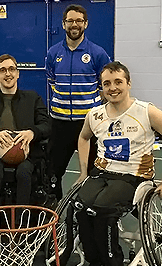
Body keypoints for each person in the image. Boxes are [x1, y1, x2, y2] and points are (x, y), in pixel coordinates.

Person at [73, 61, 162, 266]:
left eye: (118, 82)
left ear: (128, 83)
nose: (113, 88)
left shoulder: (147, 112)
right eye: (107, 83)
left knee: (102, 209)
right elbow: (83, 137)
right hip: (103, 172)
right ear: (101, 87)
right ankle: (94, 262)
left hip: (135, 176)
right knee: (81, 206)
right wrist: (82, 171)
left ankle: (112, 265)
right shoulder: (95, 115)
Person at [0, 54, 51, 207]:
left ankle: (21, 221)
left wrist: (32, 132)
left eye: (12, 69)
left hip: (27, 152)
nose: (8, 74)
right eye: (3, 70)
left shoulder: (32, 98)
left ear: (17, 73)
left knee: (24, 172)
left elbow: (46, 125)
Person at [46, 4, 111, 199]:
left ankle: (91, 211)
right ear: (63, 24)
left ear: (86, 24)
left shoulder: (98, 53)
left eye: (79, 21)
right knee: (52, 172)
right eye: (70, 21)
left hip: (89, 125)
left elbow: (106, 87)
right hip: (59, 123)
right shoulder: (53, 53)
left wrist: (91, 108)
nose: (74, 25)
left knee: (94, 172)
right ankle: (53, 210)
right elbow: (52, 82)